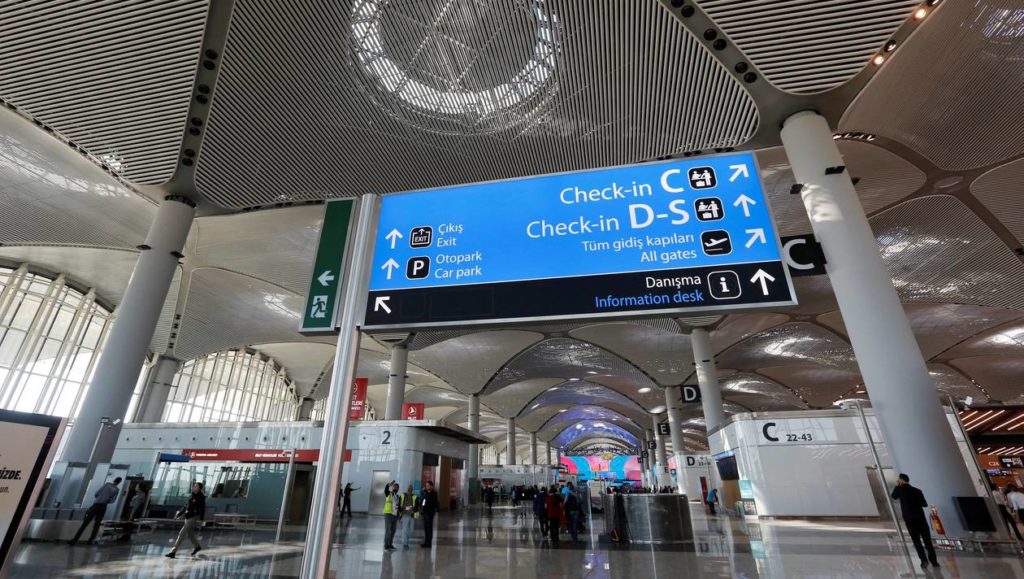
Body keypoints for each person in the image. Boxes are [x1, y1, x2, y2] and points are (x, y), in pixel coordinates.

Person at [890, 473, 939, 569]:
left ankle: (923, 561)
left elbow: (893, 496)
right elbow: (924, 504)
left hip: (909, 520)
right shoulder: (917, 491)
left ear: (901, 480)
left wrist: (898, 486)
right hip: (920, 518)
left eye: (898, 480)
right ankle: (934, 562)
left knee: (916, 541)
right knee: (927, 541)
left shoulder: (899, 490)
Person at [69, 476, 122, 545]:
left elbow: (97, 493)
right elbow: (112, 500)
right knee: (97, 524)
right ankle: (91, 540)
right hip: (103, 507)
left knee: (85, 523)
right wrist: (106, 500)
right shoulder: (117, 490)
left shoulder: (107, 484)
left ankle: (75, 540)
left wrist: (99, 498)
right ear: (119, 482)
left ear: (114, 480)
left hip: (96, 505)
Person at [165, 482, 206, 558]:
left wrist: (201, 519)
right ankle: (197, 546)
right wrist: (180, 513)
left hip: (194, 516)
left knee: (182, 533)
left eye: (196, 486)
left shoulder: (201, 497)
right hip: (188, 516)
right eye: (194, 485)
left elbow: (203, 508)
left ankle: (173, 552)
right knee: (190, 533)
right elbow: (186, 506)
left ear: (199, 488)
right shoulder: (191, 495)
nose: (194, 487)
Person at [419, 480, 439, 548]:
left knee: (429, 527)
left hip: (430, 512)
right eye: (426, 485)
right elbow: (423, 500)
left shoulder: (434, 493)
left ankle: (429, 542)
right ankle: (426, 542)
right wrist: (422, 508)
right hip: (425, 512)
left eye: (428, 485)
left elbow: (433, 502)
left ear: (431, 486)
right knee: (425, 527)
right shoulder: (425, 492)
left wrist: (425, 493)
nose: (426, 487)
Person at [398, 483, 418, 548]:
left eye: (411, 488)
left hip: (412, 515)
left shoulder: (415, 496)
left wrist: (416, 514)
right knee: (405, 529)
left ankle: (406, 540)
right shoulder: (403, 495)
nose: (410, 489)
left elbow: (417, 506)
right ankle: (405, 543)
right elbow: (401, 506)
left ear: (412, 489)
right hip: (405, 515)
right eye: (409, 487)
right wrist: (410, 508)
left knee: (411, 530)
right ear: (407, 488)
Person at [383, 481, 399, 551]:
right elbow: (386, 489)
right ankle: (386, 545)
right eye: (395, 487)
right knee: (388, 530)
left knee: (393, 530)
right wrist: (388, 484)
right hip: (388, 513)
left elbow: (399, 507)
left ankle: (390, 544)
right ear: (392, 487)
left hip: (395, 515)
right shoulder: (388, 493)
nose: (396, 488)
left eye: (397, 487)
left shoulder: (397, 496)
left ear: (398, 489)